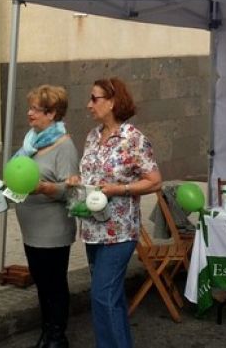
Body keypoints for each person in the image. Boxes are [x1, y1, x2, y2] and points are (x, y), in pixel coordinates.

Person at [66, 77, 162, 348]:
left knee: (101, 295)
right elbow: (91, 176)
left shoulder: (134, 139)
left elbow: (154, 181)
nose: (88, 105)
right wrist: (76, 182)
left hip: (119, 231)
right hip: (92, 229)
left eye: (94, 98)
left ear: (112, 102)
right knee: (113, 297)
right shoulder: (93, 136)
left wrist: (118, 190)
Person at [15, 85, 80, 348]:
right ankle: (47, 330)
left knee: (54, 285)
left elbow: (71, 190)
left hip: (52, 231)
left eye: (36, 109)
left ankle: (57, 335)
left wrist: (43, 187)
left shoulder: (64, 146)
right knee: (42, 284)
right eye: (29, 108)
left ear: (52, 114)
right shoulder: (31, 141)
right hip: (31, 229)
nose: (29, 114)